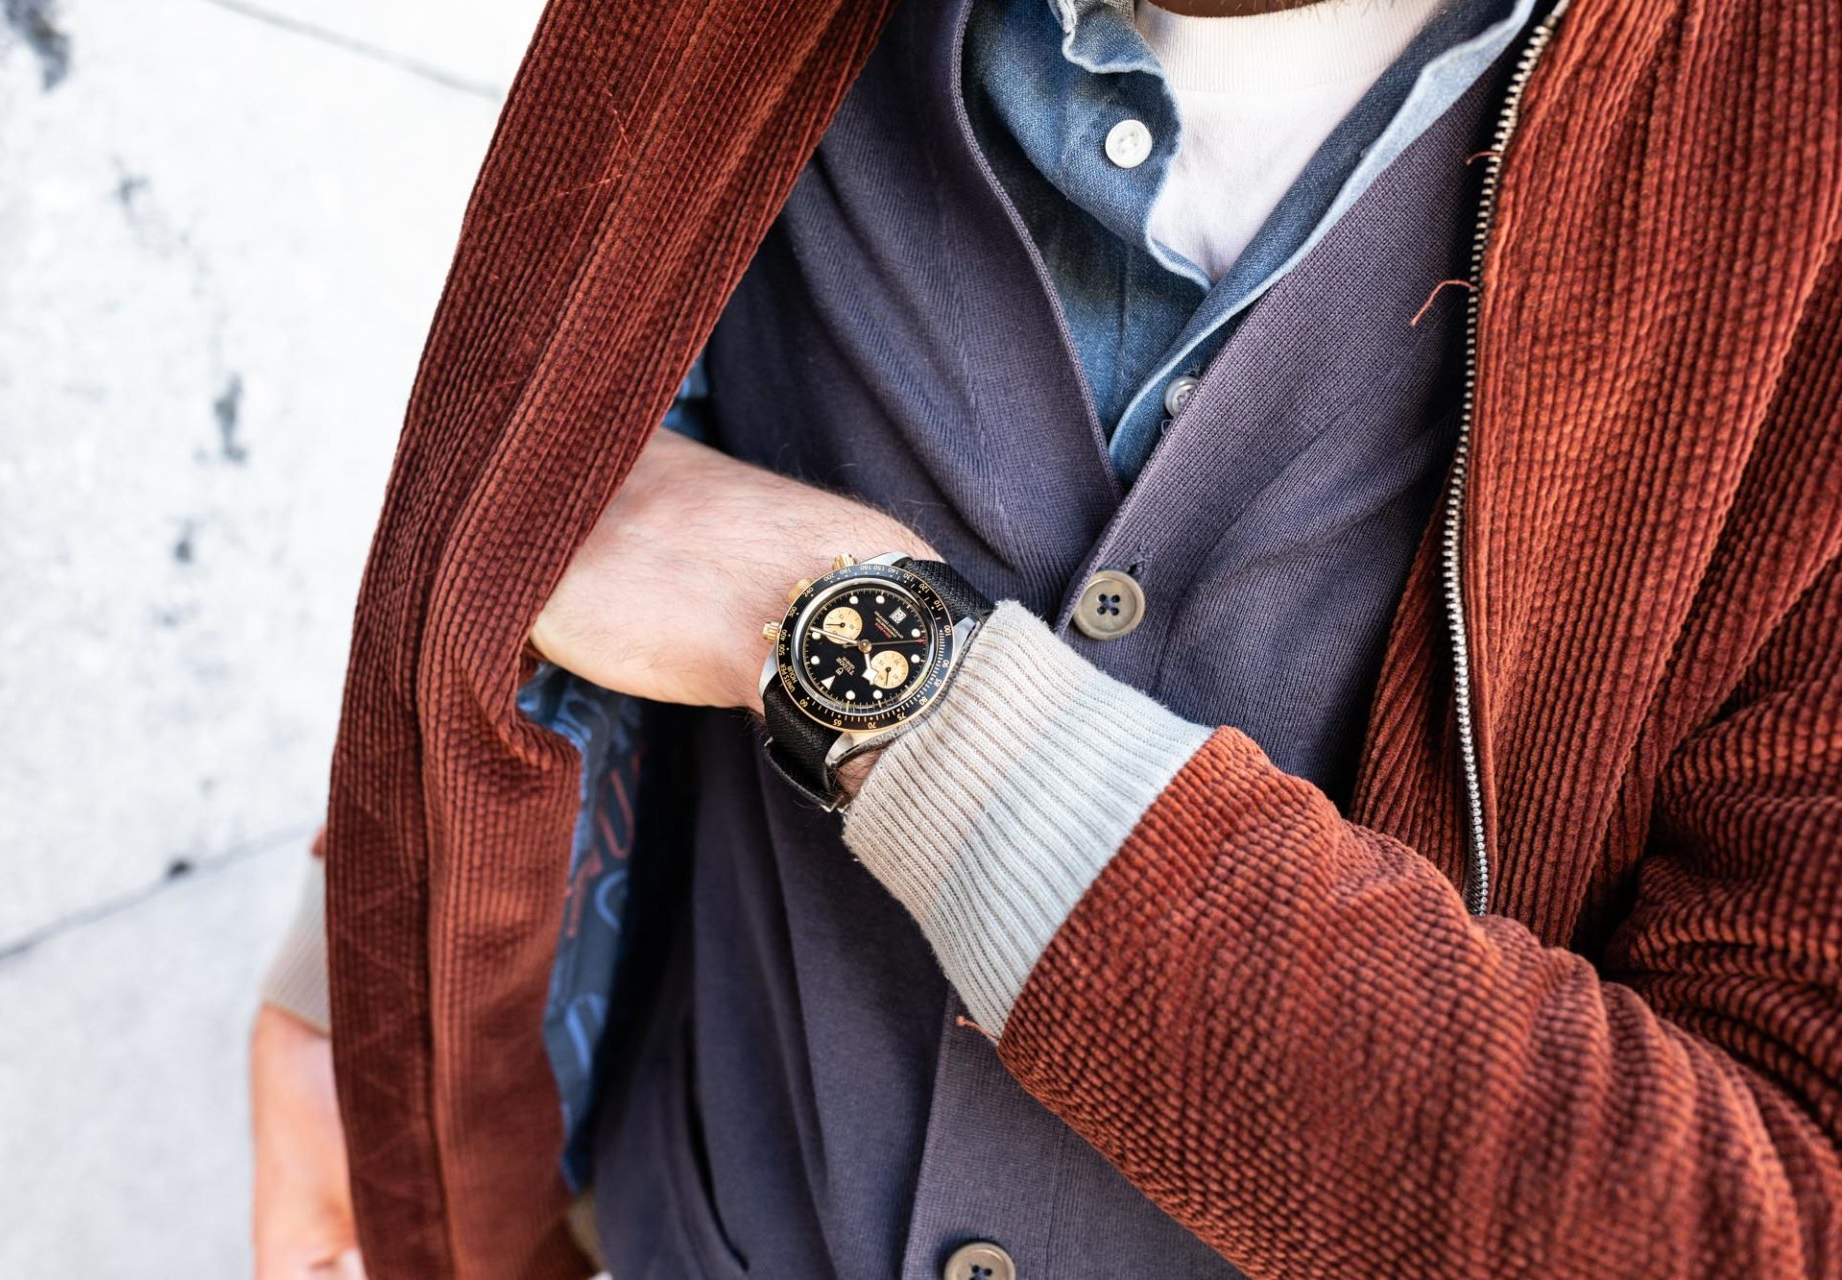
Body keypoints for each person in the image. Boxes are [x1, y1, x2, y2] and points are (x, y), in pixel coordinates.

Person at [252, 0, 1842, 1275]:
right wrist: (359, 973)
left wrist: (861, 653)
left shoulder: (1799, 191)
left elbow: (1772, 1210)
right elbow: (589, 436)